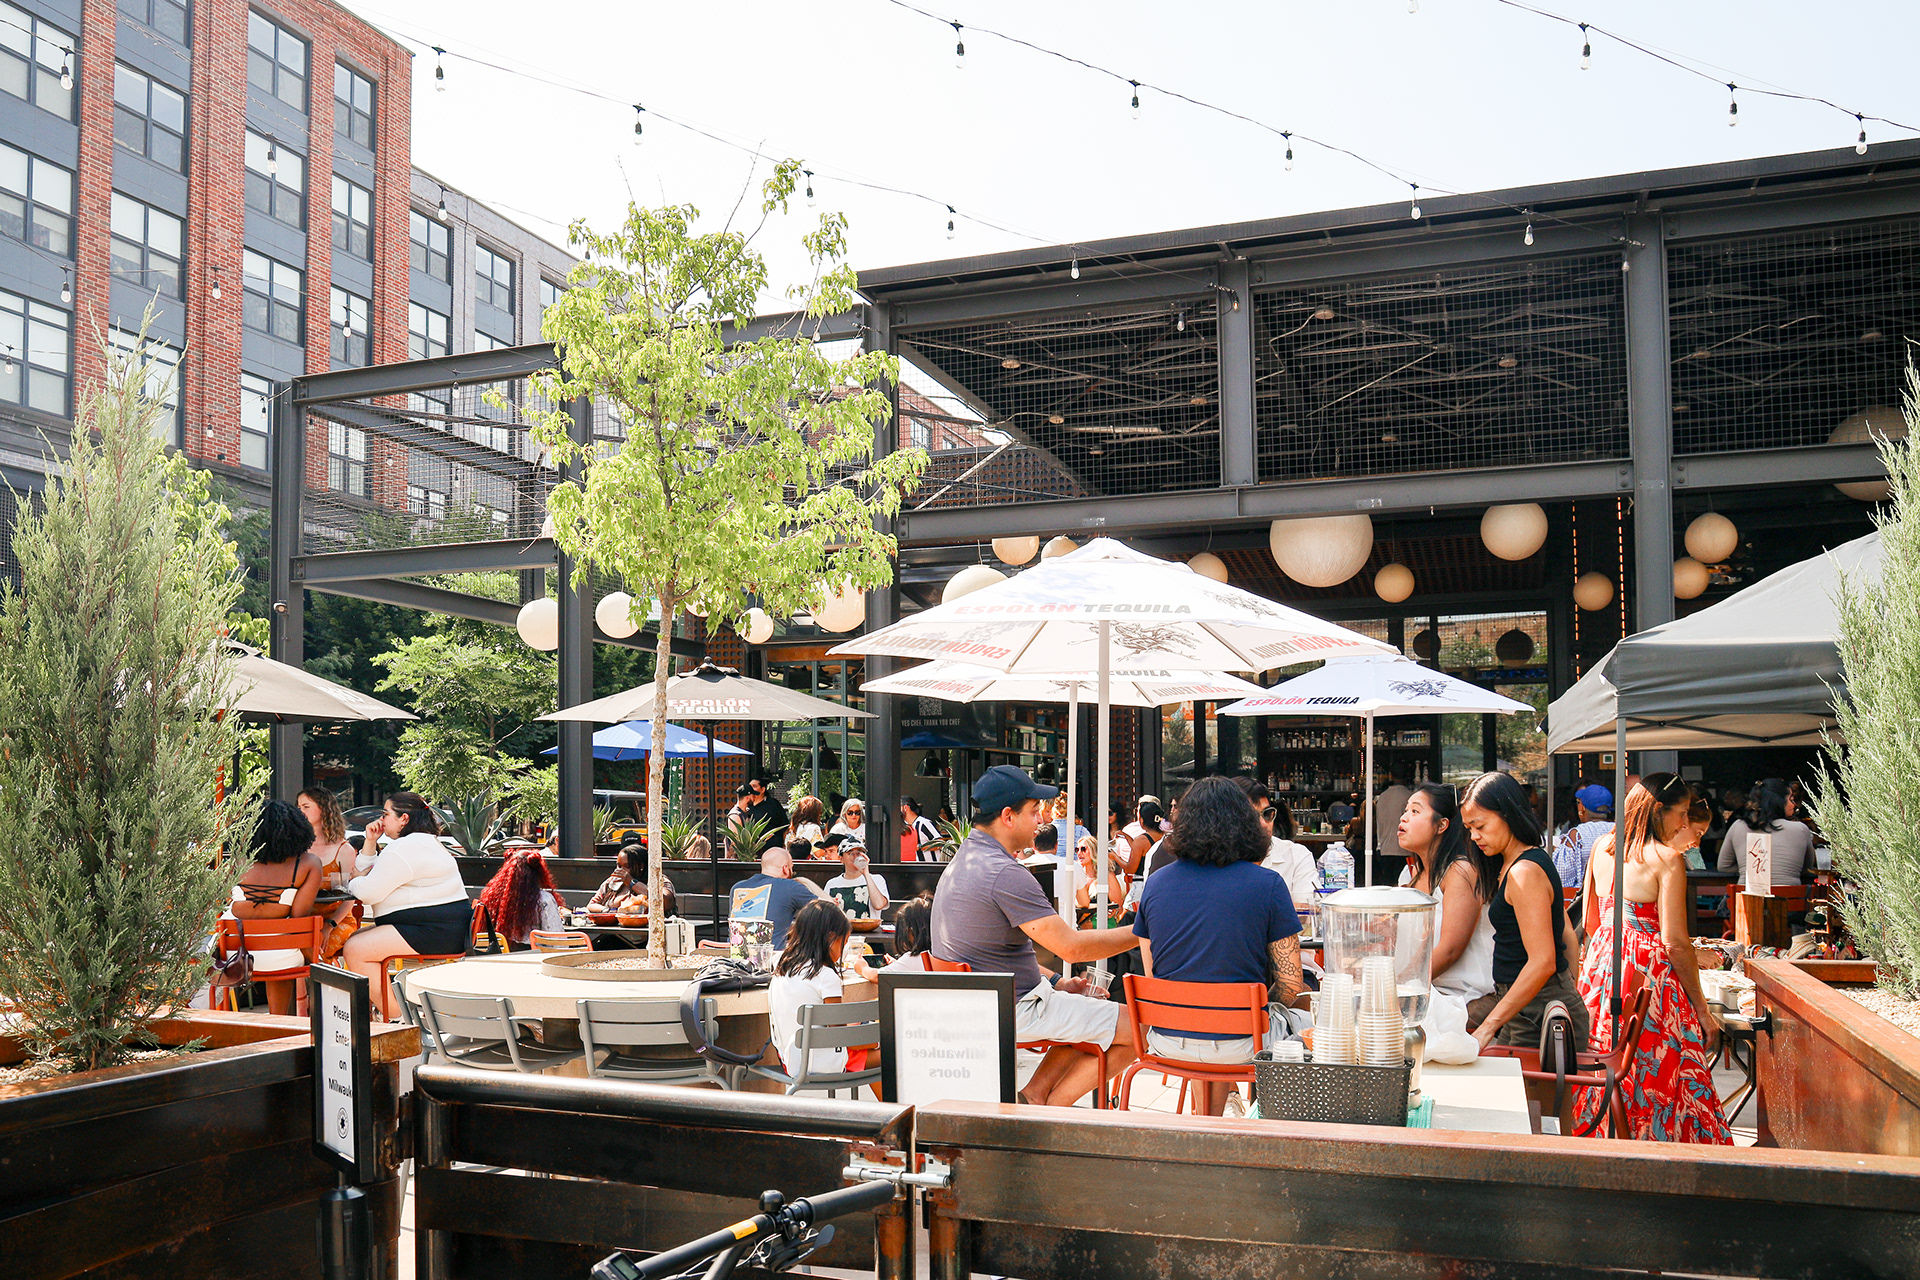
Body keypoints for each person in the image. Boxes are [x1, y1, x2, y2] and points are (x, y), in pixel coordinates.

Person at [930, 765, 1140, 1107]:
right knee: (1138, 1029)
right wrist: (1142, 930)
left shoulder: (963, 862)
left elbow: (987, 958)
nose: (1041, 819)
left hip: (988, 1004)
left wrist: (1057, 980)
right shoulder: (1004, 873)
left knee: (1086, 1010)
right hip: (1013, 1009)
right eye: (1033, 811)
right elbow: (1071, 948)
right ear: (1008, 817)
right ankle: (1043, 1112)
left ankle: (1034, 1098)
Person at [1132, 777, 1312, 1116]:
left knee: (1206, 1016)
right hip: (1244, 1042)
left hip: (1167, 1040)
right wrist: (1255, 1008)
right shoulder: (1268, 884)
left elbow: (1153, 973)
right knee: (1311, 1020)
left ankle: (1211, 1120)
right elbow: (1290, 983)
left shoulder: (1155, 884)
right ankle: (1274, 1127)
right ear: (1246, 824)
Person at [1575, 774, 1732, 1143]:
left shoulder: (1602, 847)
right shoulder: (1666, 859)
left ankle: (1603, 1136)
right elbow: (1675, 943)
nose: (1683, 823)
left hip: (1602, 966)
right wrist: (1703, 1011)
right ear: (1658, 811)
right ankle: (1658, 1143)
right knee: (1660, 1066)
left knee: (1604, 1060)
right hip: (1649, 975)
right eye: (1679, 813)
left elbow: (1590, 922)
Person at [1460, 772, 1590, 1051]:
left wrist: (1488, 1027)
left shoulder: (1524, 871)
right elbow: (1565, 932)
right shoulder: (1518, 863)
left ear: (1508, 814)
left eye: (1479, 825)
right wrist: (1569, 991)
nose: (1474, 836)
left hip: (1540, 1011)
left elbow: (1543, 961)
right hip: (1529, 1007)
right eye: (1469, 828)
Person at [342, 793, 474, 1017]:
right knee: (356, 941)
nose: (381, 820)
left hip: (434, 931)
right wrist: (371, 842)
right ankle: (393, 1013)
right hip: (443, 929)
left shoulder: (405, 848)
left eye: (386, 814)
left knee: (355, 949)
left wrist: (351, 882)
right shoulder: (421, 843)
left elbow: (367, 890)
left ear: (404, 818)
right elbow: (370, 875)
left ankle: (397, 1018)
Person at [1397, 783, 1497, 1009]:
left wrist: (1400, 984)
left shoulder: (1460, 871)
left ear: (1442, 825)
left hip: (1464, 997)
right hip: (1425, 991)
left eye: (1415, 811)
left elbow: (1450, 950)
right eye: (1405, 811)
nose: (1404, 818)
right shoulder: (1411, 875)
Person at [227, 799, 325, 1015]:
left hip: (234, 955)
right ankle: (279, 1021)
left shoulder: (237, 861)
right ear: (297, 830)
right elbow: (299, 916)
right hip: (280, 957)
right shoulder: (308, 864)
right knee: (286, 946)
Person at [768, 899, 879, 1085]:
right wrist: (875, 1040)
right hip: (822, 1063)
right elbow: (839, 1038)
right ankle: (895, 1112)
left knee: (865, 1045)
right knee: (893, 1053)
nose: (842, 950)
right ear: (830, 938)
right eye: (843, 943)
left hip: (790, 1061)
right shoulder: (826, 976)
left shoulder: (782, 967)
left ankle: (887, 1112)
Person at [299, 786, 360, 960]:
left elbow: (350, 896)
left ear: (324, 809)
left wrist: (328, 925)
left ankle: (321, 986)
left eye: (306, 806)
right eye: (299, 807)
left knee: (315, 950)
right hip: (303, 920)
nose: (300, 811)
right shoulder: (297, 847)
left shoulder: (343, 849)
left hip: (336, 920)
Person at [1717, 779, 1817, 885]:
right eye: (1790, 799)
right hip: (1789, 899)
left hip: (1747, 899)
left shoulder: (1738, 826)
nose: (1793, 804)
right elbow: (1808, 868)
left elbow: (1723, 866)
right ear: (1780, 801)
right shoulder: (1801, 829)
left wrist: (1752, 868)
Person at [730, 846, 824, 946]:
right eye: (792, 868)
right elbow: (827, 909)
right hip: (771, 957)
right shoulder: (790, 887)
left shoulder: (737, 888)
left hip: (734, 955)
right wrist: (806, 882)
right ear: (785, 869)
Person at [1248, 783, 1320, 910]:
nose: (1264, 824)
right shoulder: (1221, 859)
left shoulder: (1296, 855)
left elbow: (1309, 911)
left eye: (1267, 814)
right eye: (1252, 817)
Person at [477, 850, 567, 949]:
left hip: (500, 957)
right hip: (534, 958)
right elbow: (558, 941)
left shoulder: (493, 896)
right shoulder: (543, 900)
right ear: (539, 873)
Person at [1554, 784, 1614, 920]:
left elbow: (1562, 879)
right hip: (1614, 908)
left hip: (1583, 914)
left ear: (1582, 808)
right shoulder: (1620, 831)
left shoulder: (1577, 836)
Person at [823, 841, 889, 918]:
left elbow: (879, 905)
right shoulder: (832, 884)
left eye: (858, 853)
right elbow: (822, 912)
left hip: (869, 929)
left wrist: (866, 873)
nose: (855, 856)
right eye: (850, 853)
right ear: (841, 859)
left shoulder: (877, 879)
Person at [1372, 768, 1415, 886]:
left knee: (1387, 888)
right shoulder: (1409, 797)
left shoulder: (1382, 797)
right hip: (1403, 851)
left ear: (1390, 776)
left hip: (1384, 849)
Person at [882, 892, 936, 972]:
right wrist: (898, 965)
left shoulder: (913, 959)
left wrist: (863, 967)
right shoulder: (942, 957)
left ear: (911, 930)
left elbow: (878, 976)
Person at [589, 845, 643, 912]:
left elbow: (653, 897)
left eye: (627, 866)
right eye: (619, 866)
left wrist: (630, 882)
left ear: (641, 866)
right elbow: (592, 904)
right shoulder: (611, 881)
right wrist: (606, 910)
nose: (620, 870)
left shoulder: (647, 884)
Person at [900, 796, 942, 861]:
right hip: (917, 868)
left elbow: (940, 843)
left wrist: (919, 847)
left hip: (931, 868)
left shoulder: (923, 823)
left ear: (905, 808)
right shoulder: (905, 826)